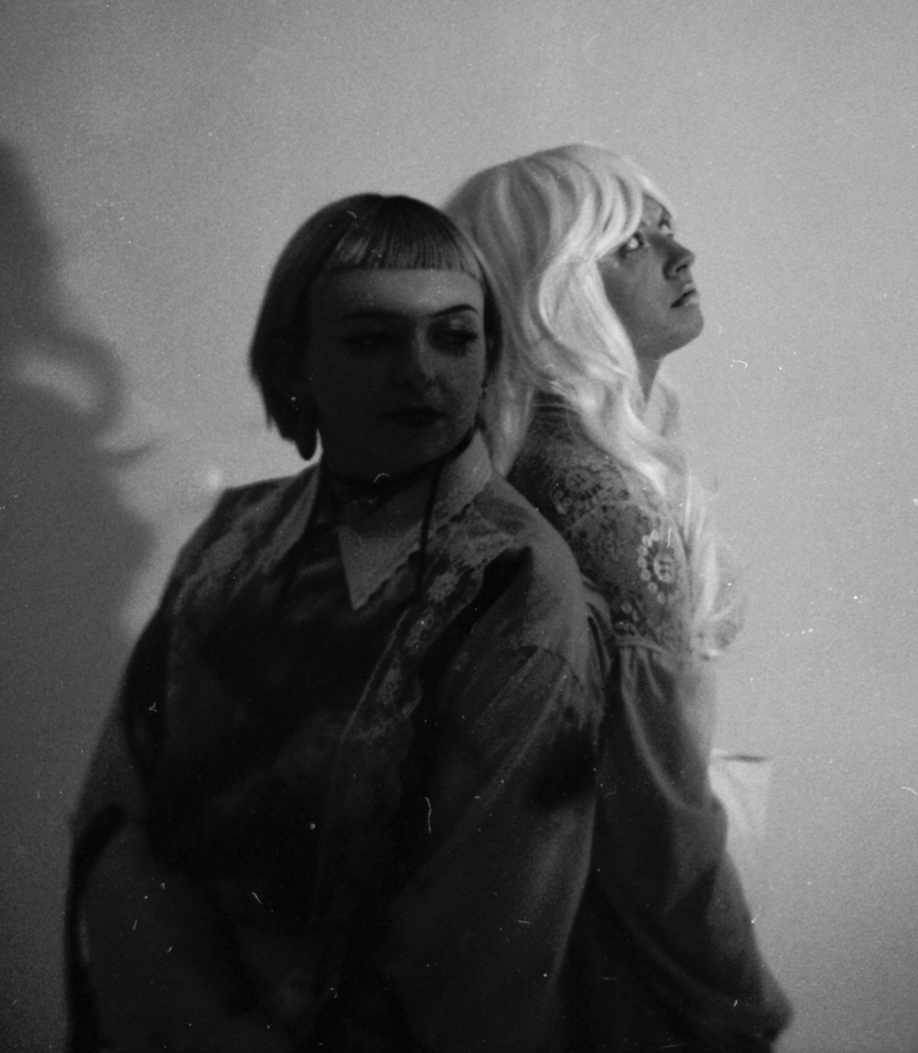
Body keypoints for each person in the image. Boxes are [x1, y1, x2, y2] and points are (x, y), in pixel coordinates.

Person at [65, 195, 607, 1052]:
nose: (419, 372)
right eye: (370, 339)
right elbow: (116, 815)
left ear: (489, 354)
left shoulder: (517, 585)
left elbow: (487, 946)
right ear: (296, 363)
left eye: (453, 336)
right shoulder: (232, 538)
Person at [447, 144, 792, 1052]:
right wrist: (739, 1006)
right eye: (630, 242)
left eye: (665, 228)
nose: (680, 256)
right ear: (552, 289)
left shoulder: (528, 465)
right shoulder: (596, 497)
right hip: (607, 973)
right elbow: (656, 818)